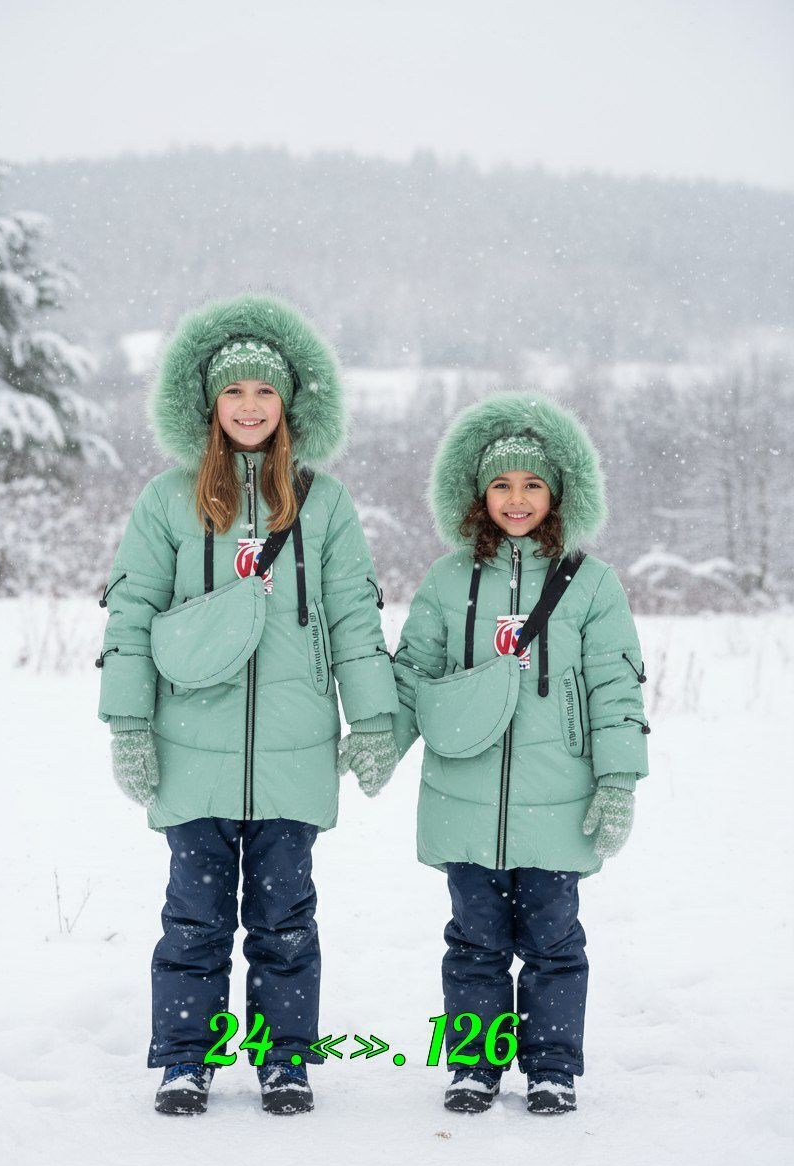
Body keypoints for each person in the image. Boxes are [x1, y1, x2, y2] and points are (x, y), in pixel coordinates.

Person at [96, 293, 399, 1116]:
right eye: (235, 393)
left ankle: (283, 1061)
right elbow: (129, 619)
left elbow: (353, 619)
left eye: (264, 392)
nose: (251, 407)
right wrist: (129, 724)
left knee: (285, 920)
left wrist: (372, 718)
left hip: (295, 749)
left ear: (288, 403)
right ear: (210, 404)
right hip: (190, 744)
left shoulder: (324, 503)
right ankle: (184, 1061)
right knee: (193, 919)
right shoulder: (167, 501)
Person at [391, 390, 650, 1116]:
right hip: (463, 796)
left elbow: (614, 686)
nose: (516, 498)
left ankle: (552, 1067)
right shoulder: (448, 580)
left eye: (532, 484)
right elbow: (414, 670)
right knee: (473, 941)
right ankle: (473, 1067)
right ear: (478, 494)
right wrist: (384, 734)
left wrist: (619, 776)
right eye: (502, 484)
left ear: (558, 493)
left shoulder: (593, 585)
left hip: (557, 797)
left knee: (553, 941)